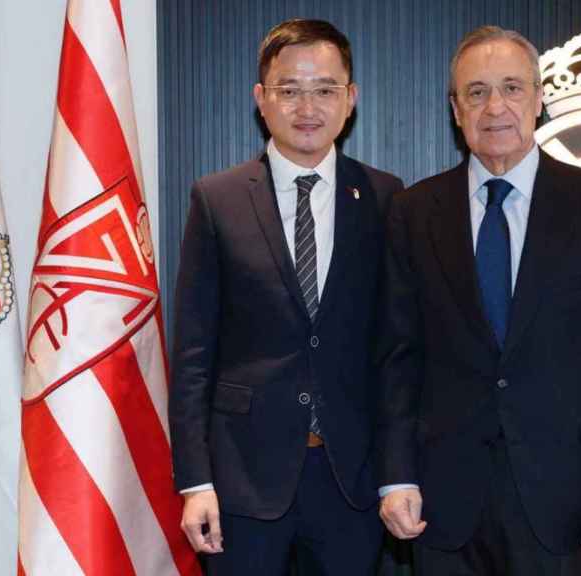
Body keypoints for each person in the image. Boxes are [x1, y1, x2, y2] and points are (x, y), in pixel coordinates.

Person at [377, 25, 581, 575]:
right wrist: (397, 475)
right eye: (476, 92)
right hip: (442, 503)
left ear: (539, 98)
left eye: (511, 87)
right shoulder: (413, 212)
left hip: (565, 501)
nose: (495, 106)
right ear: (456, 110)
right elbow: (396, 358)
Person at [169, 18, 402, 575]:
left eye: (324, 89)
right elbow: (194, 353)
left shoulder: (385, 197)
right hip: (243, 482)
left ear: (351, 99)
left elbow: (397, 351)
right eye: (289, 90)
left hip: (353, 479)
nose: (307, 107)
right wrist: (195, 481)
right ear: (261, 99)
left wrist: (398, 471)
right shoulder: (216, 198)